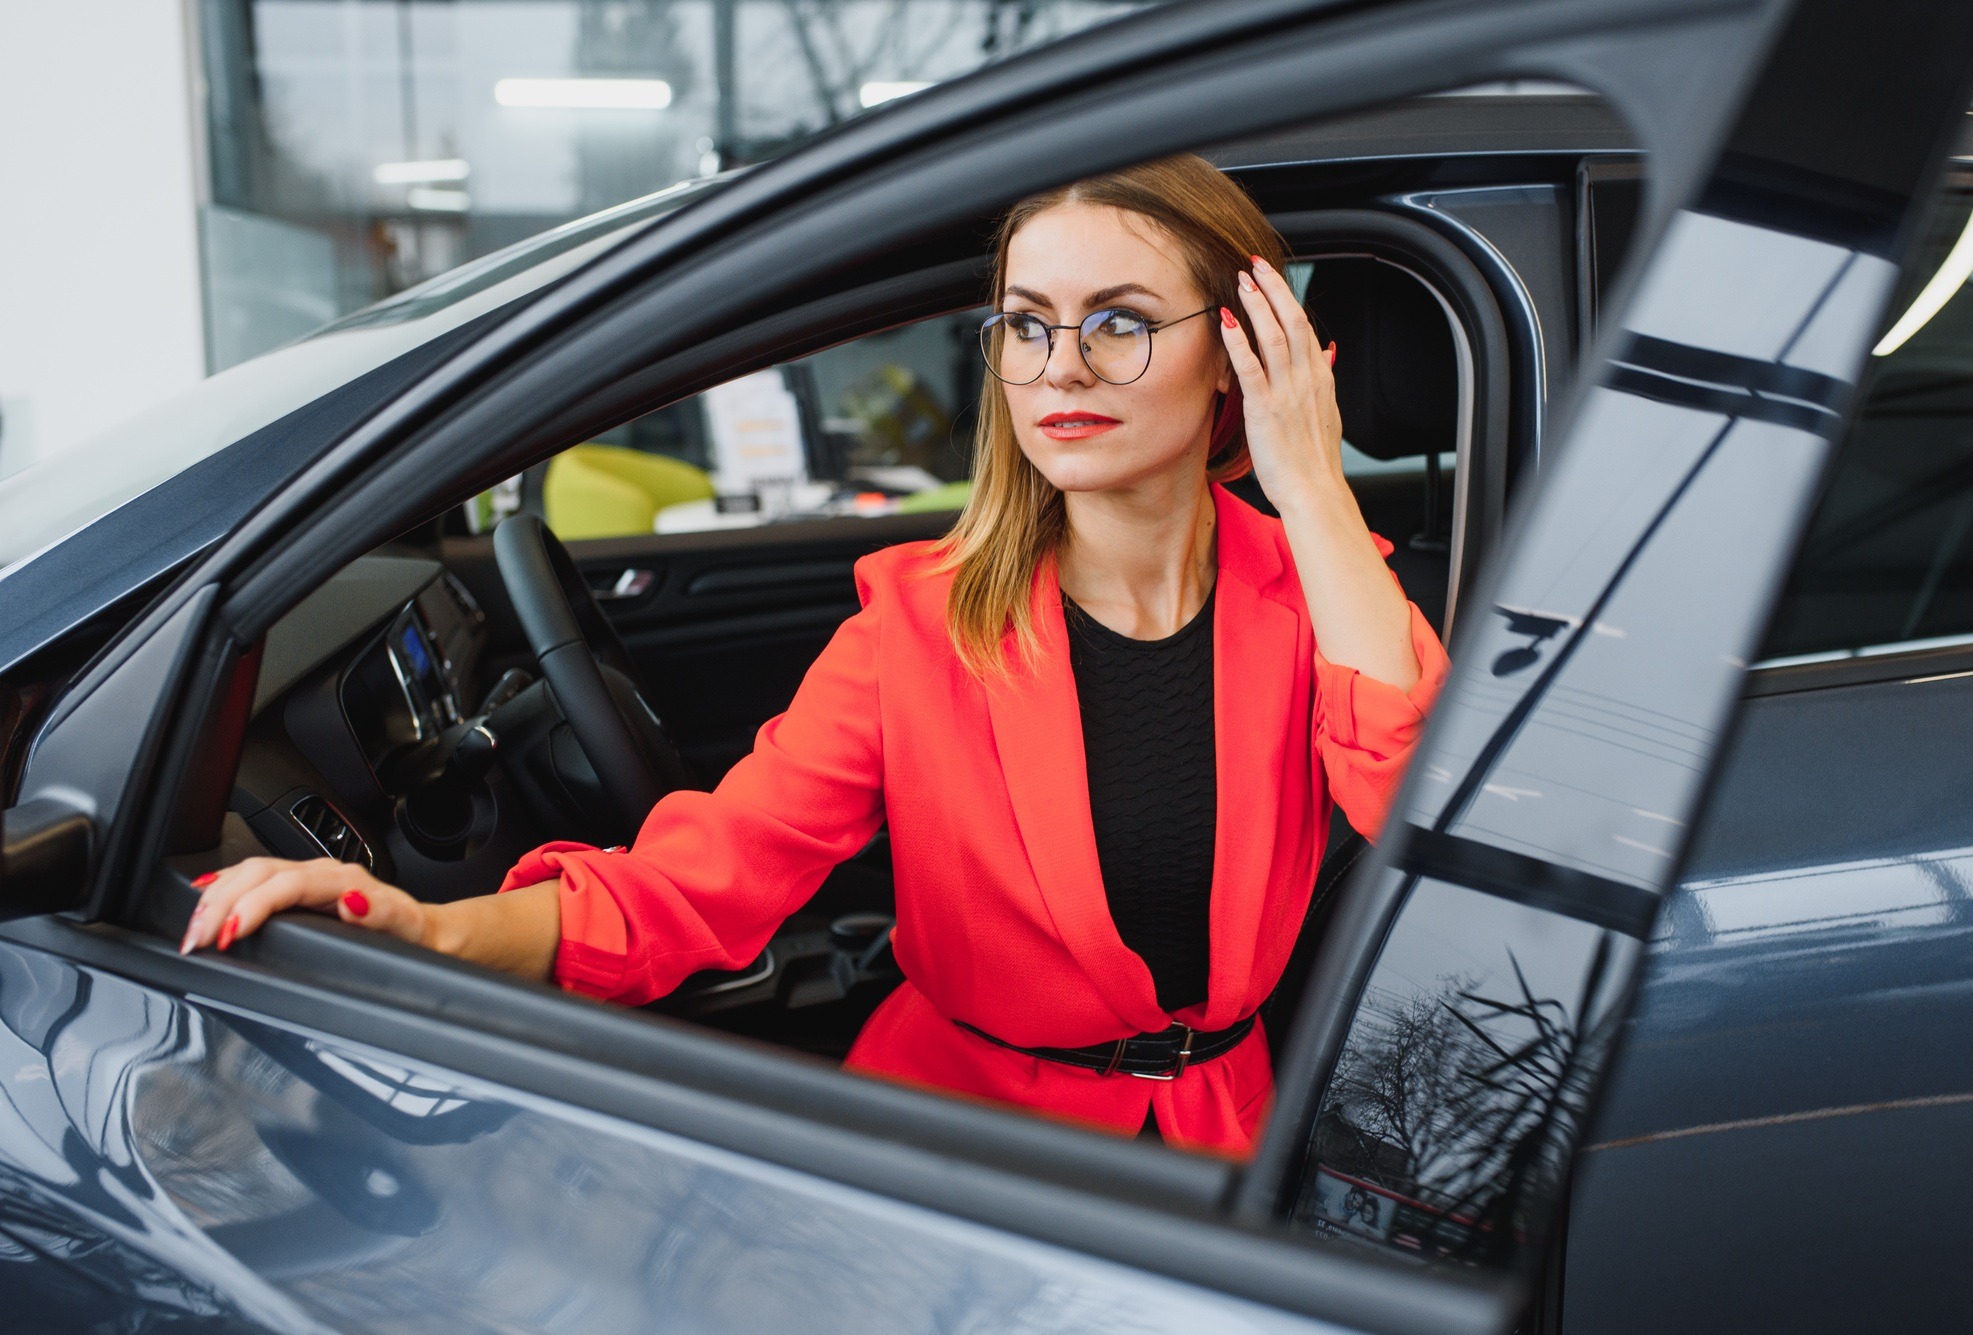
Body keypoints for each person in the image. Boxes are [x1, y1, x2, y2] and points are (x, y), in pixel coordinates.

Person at [181, 154, 1448, 1157]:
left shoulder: (1317, 595)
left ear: (1239, 351)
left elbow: (1423, 824)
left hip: (1228, 1145)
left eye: (1118, 322)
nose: (1060, 365)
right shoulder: (916, 624)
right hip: (955, 1158)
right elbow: (695, 886)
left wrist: (1312, 486)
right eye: (1025, 325)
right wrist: (426, 932)